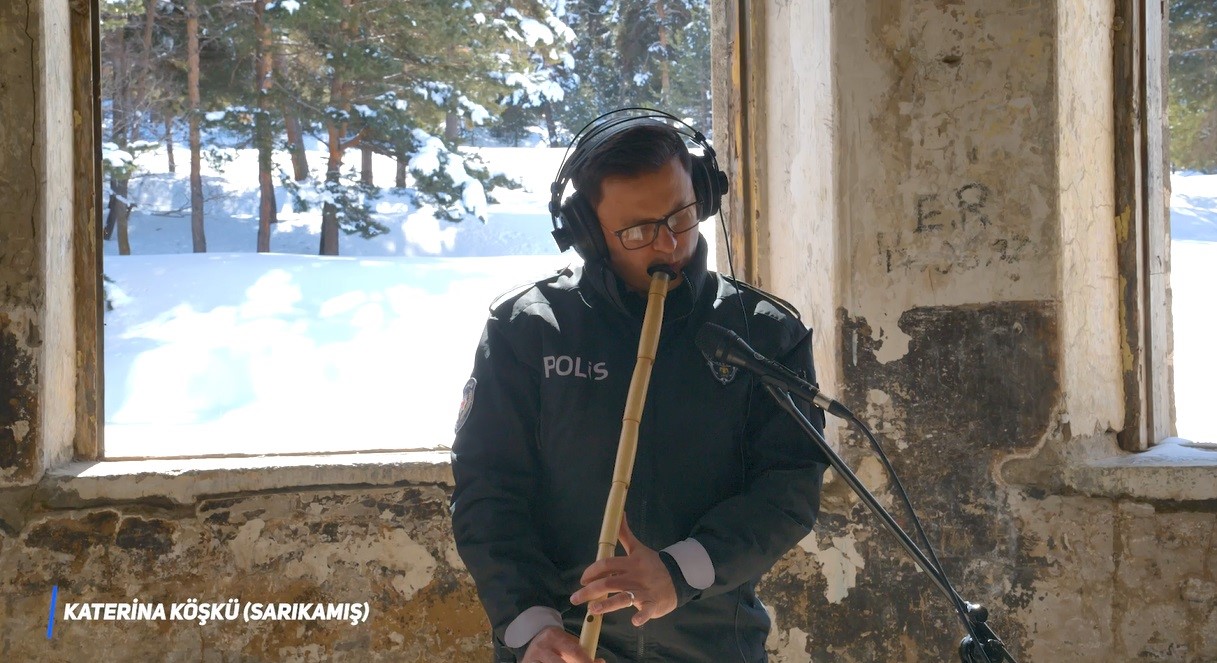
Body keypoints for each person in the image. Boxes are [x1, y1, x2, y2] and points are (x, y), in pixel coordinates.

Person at [450, 112, 828, 663]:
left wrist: (680, 571)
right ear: (587, 235)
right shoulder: (527, 329)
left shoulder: (765, 333)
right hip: (563, 645)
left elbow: (790, 487)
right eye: (638, 231)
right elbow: (488, 491)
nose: (670, 243)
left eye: (682, 213)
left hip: (713, 645)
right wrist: (529, 624)